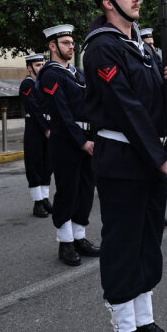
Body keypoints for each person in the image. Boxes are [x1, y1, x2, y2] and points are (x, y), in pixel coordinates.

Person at [83, 0, 167, 332]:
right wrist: (161, 160)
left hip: (147, 158)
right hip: (123, 161)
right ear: (108, 3)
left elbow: (155, 99)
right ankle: (124, 330)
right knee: (123, 245)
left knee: (148, 242)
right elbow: (126, 107)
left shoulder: (140, 47)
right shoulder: (101, 48)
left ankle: (145, 323)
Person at [37, 24, 100, 267]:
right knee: (68, 190)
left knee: (85, 189)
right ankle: (65, 242)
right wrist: (82, 141)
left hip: (86, 140)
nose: (71, 46)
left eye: (72, 42)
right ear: (52, 46)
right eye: (65, 43)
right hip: (66, 141)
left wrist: (93, 136)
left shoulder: (78, 73)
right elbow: (62, 112)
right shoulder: (50, 74)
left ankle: (79, 237)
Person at [19, 54, 53, 218]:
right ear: (29, 67)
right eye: (38, 65)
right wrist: (46, 129)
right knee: (34, 164)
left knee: (47, 164)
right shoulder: (27, 84)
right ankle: (37, 202)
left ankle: (45, 198)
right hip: (34, 129)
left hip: (48, 127)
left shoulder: (43, 83)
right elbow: (33, 108)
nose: (41, 68)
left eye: (42, 64)